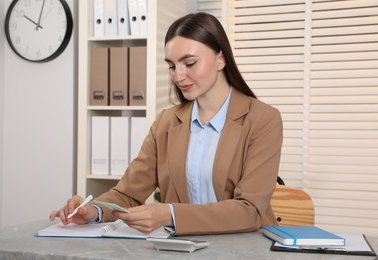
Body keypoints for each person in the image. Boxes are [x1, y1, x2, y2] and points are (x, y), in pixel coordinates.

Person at [50, 12, 283, 236]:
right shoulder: (166, 122)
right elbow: (128, 194)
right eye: (172, 66)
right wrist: (94, 210)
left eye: (189, 63)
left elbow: (250, 210)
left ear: (220, 59)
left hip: (244, 249)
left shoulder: (263, 119)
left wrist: (170, 214)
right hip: (182, 249)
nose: (178, 76)